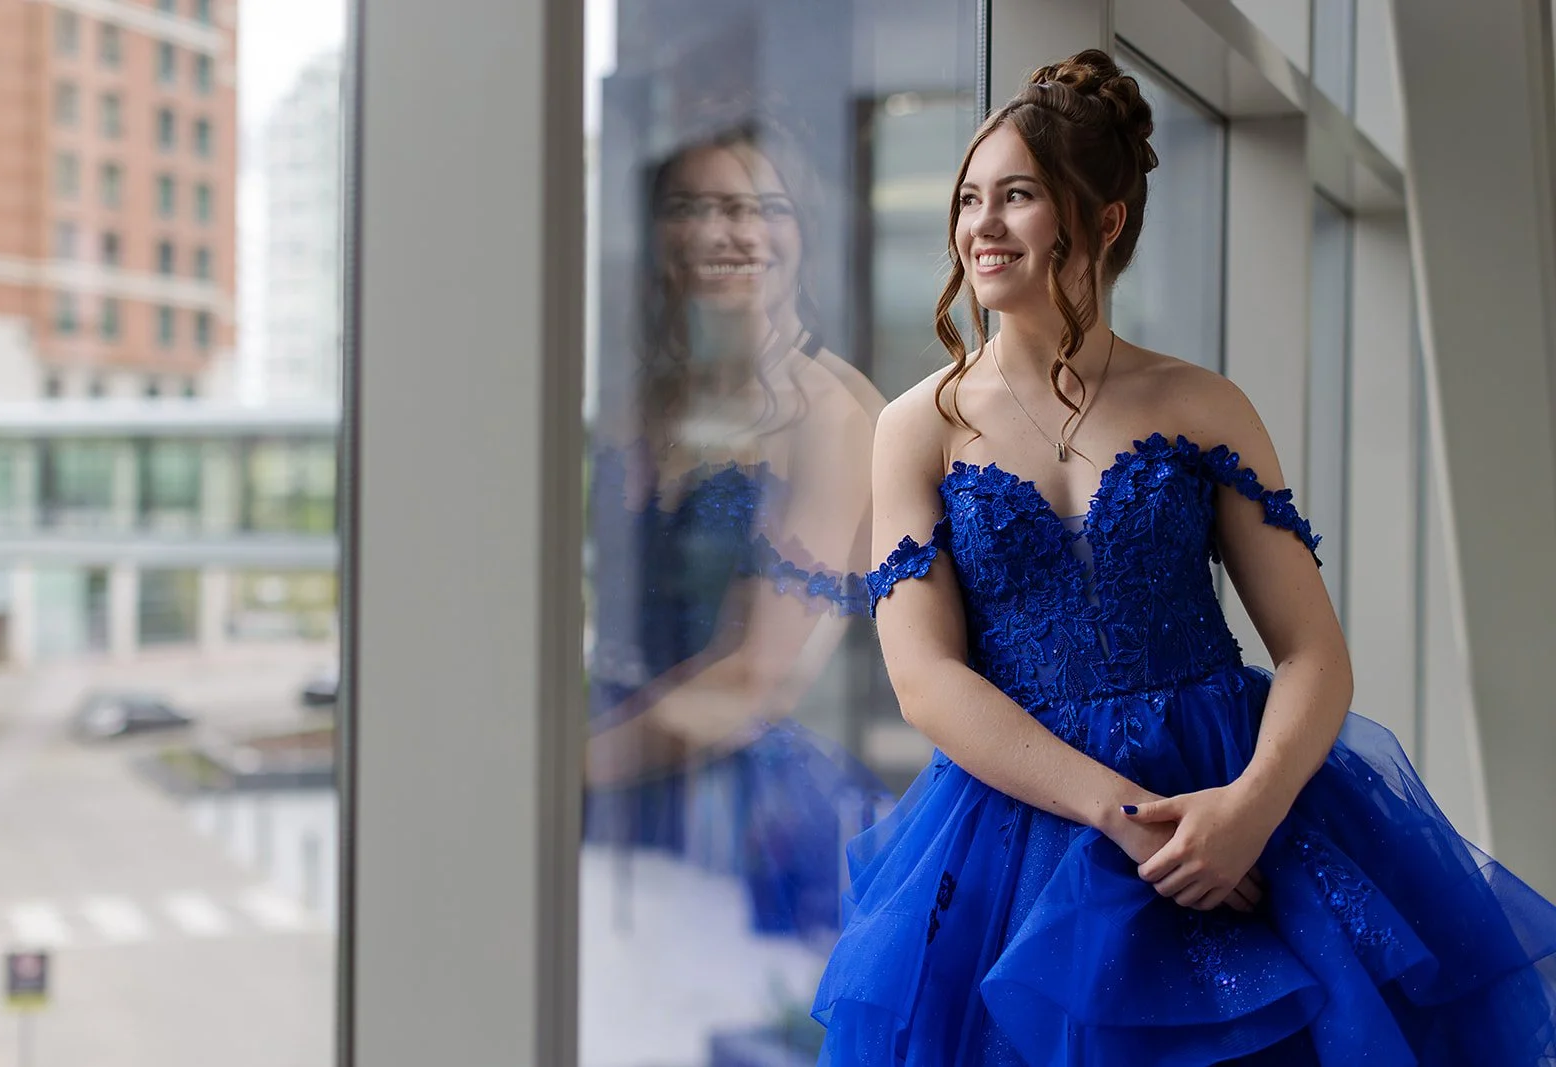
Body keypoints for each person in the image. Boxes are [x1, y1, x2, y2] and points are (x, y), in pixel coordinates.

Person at [811, 49, 1556, 1066]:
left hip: (1234, 799)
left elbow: (1313, 653)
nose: (980, 225)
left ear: (1104, 219)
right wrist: (1124, 818)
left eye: (1016, 196)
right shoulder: (917, 426)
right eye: (968, 199)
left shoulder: (1204, 405)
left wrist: (1249, 810)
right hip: (1026, 827)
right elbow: (924, 678)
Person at [583, 113, 884, 954]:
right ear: (659, 239)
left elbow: (758, 677)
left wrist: (562, 770)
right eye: (698, 207)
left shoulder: (834, 414)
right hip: (616, 768)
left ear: (802, 232)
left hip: (749, 814)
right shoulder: (634, 410)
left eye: (763, 208)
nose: (735, 232)